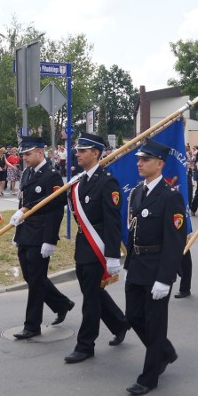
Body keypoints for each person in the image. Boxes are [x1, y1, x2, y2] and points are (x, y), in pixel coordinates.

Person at [123, 139, 185, 396]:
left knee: (156, 323)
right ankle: (166, 351)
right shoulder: (138, 191)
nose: (139, 163)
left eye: (145, 160)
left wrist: (165, 278)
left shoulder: (171, 197)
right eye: (139, 159)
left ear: (159, 164)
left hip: (157, 268)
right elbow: (133, 230)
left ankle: (149, 377)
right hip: (137, 264)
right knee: (134, 316)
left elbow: (175, 240)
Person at [63, 132, 129, 364]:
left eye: (82, 150)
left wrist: (112, 255)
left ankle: (85, 345)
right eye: (78, 150)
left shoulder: (107, 181)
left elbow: (113, 221)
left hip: (98, 248)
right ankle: (120, 323)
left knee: (90, 298)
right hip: (84, 245)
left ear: (96, 153)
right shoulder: (80, 180)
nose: (77, 153)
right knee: (93, 293)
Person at [9, 136, 75, 340]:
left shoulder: (52, 176)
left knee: (36, 281)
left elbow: (56, 209)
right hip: (25, 231)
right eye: (23, 154)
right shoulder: (28, 173)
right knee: (30, 277)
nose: (24, 158)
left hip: (40, 234)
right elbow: (23, 204)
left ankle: (32, 326)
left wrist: (49, 240)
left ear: (40, 152)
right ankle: (61, 303)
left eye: (28, 154)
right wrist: (17, 232)